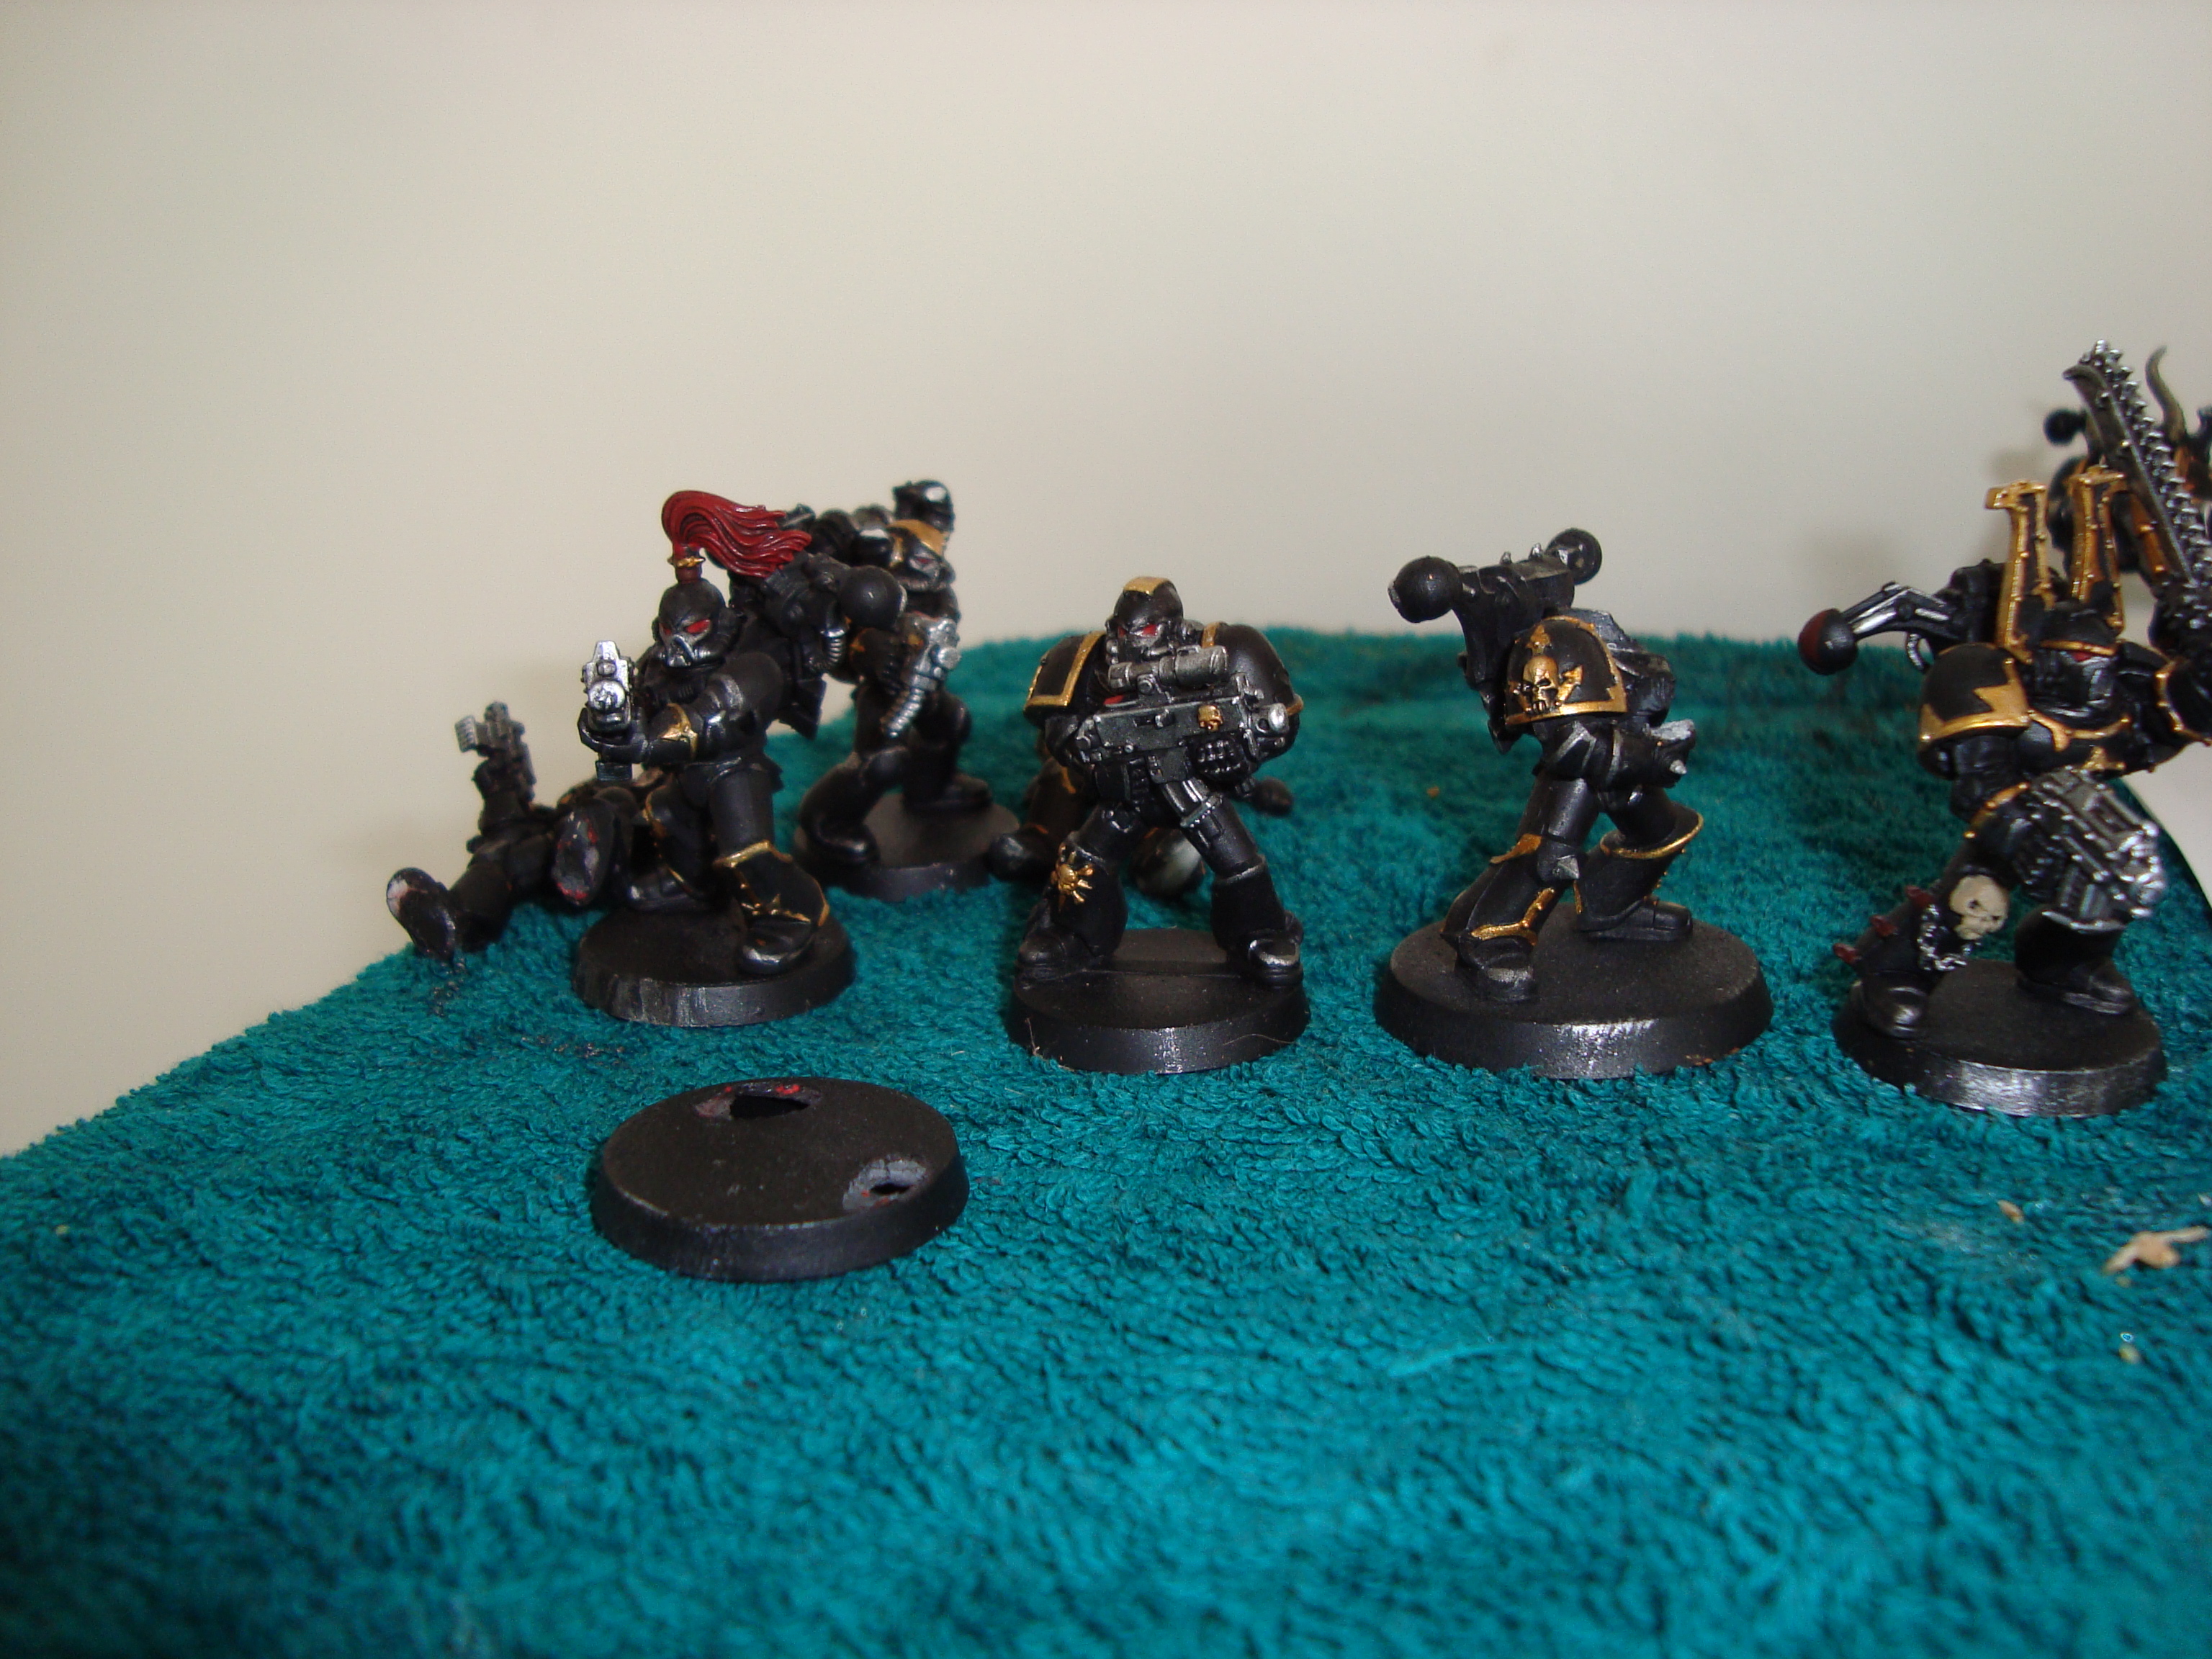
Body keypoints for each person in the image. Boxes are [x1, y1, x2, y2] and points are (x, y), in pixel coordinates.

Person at [1389, 529, 1701, 1003]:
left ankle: (1613, 904)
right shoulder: (1543, 647)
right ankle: (1486, 939)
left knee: (1658, 829)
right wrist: (1650, 757)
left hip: (1617, 747)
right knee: (1550, 854)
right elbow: (1572, 745)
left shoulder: (1574, 631)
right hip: (1587, 769)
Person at [1014, 577, 1303, 985]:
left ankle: (1260, 934)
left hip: (1195, 789)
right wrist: (1099, 766)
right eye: (1121, 632)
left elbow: (1278, 725)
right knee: (1084, 857)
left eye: (1146, 631)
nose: (1130, 642)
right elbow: (1060, 733)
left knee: (1239, 861)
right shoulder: (1088, 662)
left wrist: (1237, 757)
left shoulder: (1222, 651)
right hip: (1127, 792)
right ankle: (1071, 933)